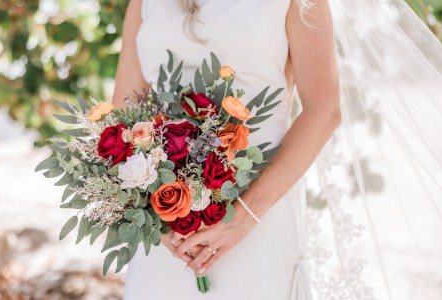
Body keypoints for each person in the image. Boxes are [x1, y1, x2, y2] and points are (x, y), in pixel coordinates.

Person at [112, 0, 338, 299]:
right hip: (164, 222)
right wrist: (151, 215)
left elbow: (324, 110)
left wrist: (243, 217)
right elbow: (124, 115)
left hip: (259, 207)